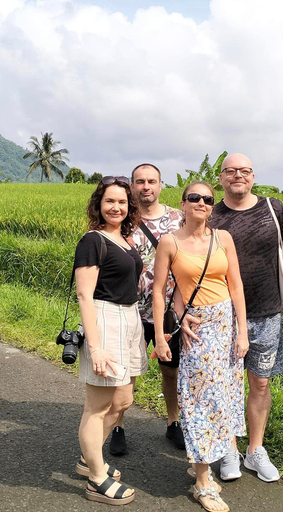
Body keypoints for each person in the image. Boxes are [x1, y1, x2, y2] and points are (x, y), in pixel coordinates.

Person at [182, 153, 283, 483]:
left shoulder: (274, 208)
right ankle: (228, 449)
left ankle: (255, 449)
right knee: (225, 386)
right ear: (221, 178)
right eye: (230, 171)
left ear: (253, 176)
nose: (238, 175)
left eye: (245, 171)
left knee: (260, 382)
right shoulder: (211, 213)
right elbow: (181, 261)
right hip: (222, 317)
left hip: (267, 312)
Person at [153, 181, 249, 512]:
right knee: (200, 401)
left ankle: (202, 463)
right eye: (194, 197)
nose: (202, 203)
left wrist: (242, 333)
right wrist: (165, 331)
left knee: (225, 396)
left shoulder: (223, 239)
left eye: (208, 199)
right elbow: (160, 290)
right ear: (182, 203)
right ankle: (203, 484)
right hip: (198, 330)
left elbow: (235, 284)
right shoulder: (170, 242)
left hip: (227, 327)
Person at [73, 176, 147, 505]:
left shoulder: (127, 238)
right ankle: (96, 479)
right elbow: (85, 296)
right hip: (105, 319)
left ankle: (89, 458)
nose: (116, 207)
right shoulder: (93, 240)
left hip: (130, 319)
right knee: (99, 406)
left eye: (122, 202)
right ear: (98, 205)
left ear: (130, 206)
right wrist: (96, 346)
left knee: (121, 402)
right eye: (109, 201)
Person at [107, 163, 185, 455]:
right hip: (129, 310)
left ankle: (173, 421)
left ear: (161, 185)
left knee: (171, 371)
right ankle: (118, 425)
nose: (145, 187)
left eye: (151, 181)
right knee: (125, 372)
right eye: (139, 181)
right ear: (132, 185)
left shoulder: (179, 218)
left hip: (169, 313)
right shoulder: (122, 217)